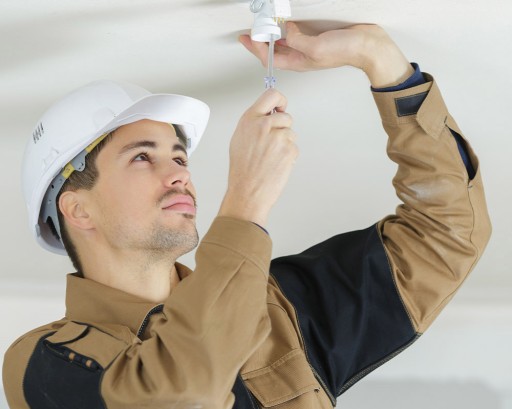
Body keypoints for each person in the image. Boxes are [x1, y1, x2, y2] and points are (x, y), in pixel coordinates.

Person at [3, 22, 491, 409]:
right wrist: (246, 201)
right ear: (78, 208)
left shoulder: (279, 311)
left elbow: (449, 233)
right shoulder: (43, 363)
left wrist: (381, 60)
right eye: (142, 157)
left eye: (179, 156)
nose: (179, 174)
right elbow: (183, 394)